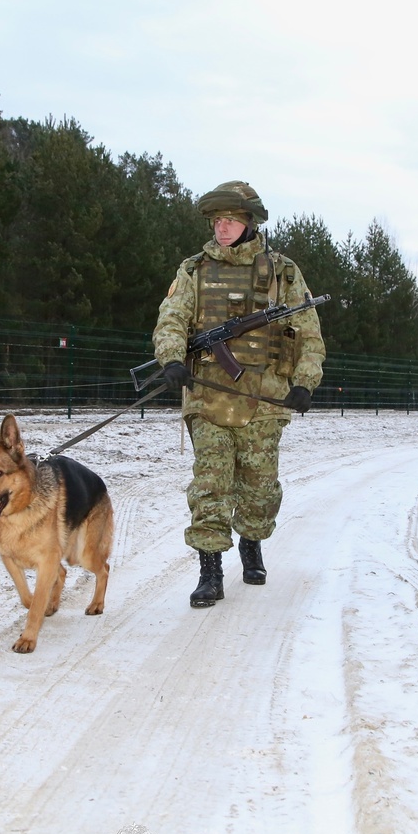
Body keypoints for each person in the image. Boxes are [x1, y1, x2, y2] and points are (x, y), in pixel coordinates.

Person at [152, 180, 325, 608]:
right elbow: (170, 319)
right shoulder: (192, 269)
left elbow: (308, 333)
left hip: (265, 399)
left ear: (249, 223)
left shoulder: (283, 272)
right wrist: (172, 359)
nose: (222, 228)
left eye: (230, 220)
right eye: (217, 221)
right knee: (210, 485)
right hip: (208, 398)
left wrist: (305, 382)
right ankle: (210, 572)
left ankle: (251, 542)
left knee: (260, 489)